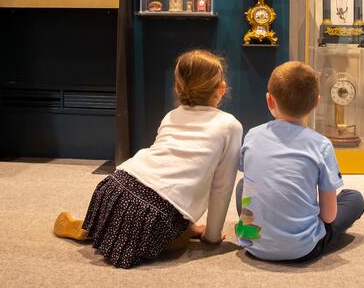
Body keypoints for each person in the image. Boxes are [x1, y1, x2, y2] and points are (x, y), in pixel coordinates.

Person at [53, 50, 243, 269]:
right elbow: (222, 187)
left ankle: (95, 227)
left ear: (177, 88)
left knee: (143, 216)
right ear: (221, 87)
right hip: (156, 210)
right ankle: (122, 233)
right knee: (176, 243)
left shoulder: (172, 115)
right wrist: (212, 236)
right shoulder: (230, 125)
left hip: (114, 188)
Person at [235, 61, 364, 262]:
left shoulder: (252, 136)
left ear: (270, 101)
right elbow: (329, 216)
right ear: (316, 103)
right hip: (304, 249)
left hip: (254, 245)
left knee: (243, 185)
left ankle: (259, 229)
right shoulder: (321, 145)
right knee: (354, 198)